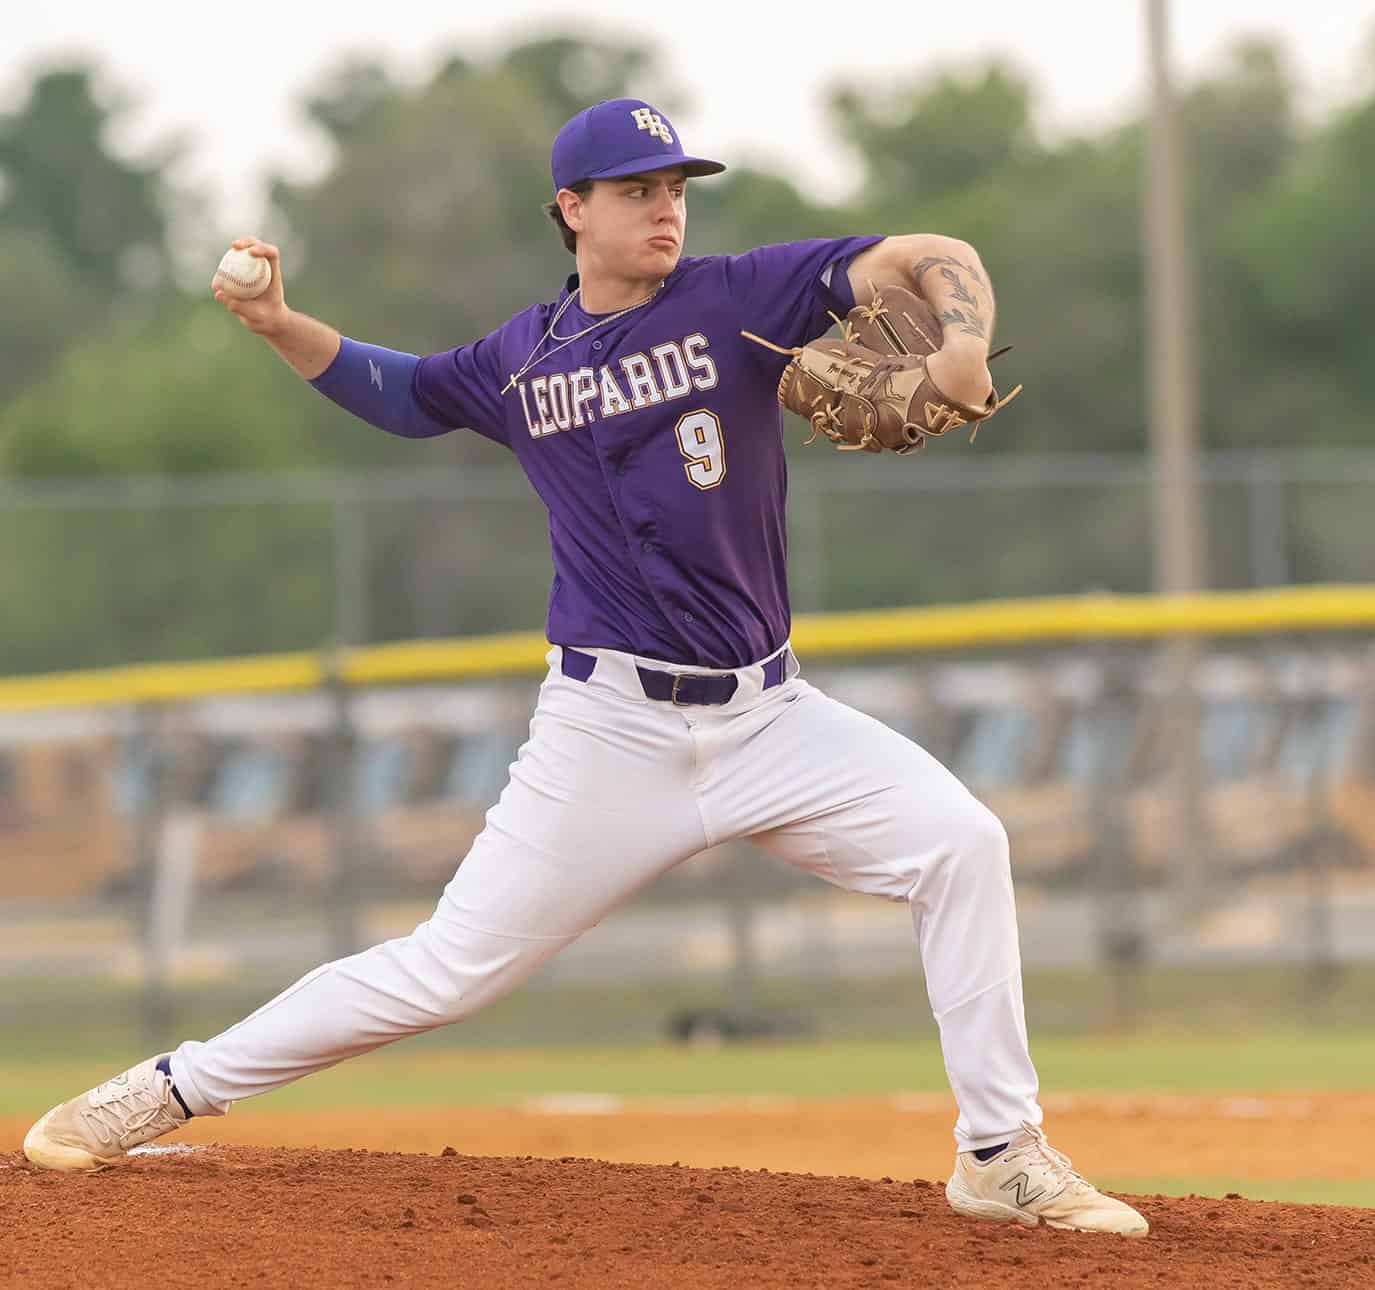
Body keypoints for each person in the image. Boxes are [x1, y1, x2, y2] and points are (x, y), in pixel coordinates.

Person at [24, 98, 1146, 1239]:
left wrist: (956, 337)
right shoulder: (523, 358)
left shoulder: (736, 299)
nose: (665, 208)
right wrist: (275, 322)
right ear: (572, 209)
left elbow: (924, 254)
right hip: (608, 731)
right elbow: (402, 392)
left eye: (675, 189)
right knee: (446, 971)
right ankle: (162, 1091)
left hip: (772, 717)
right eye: (636, 190)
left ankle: (999, 1155)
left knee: (962, 844)